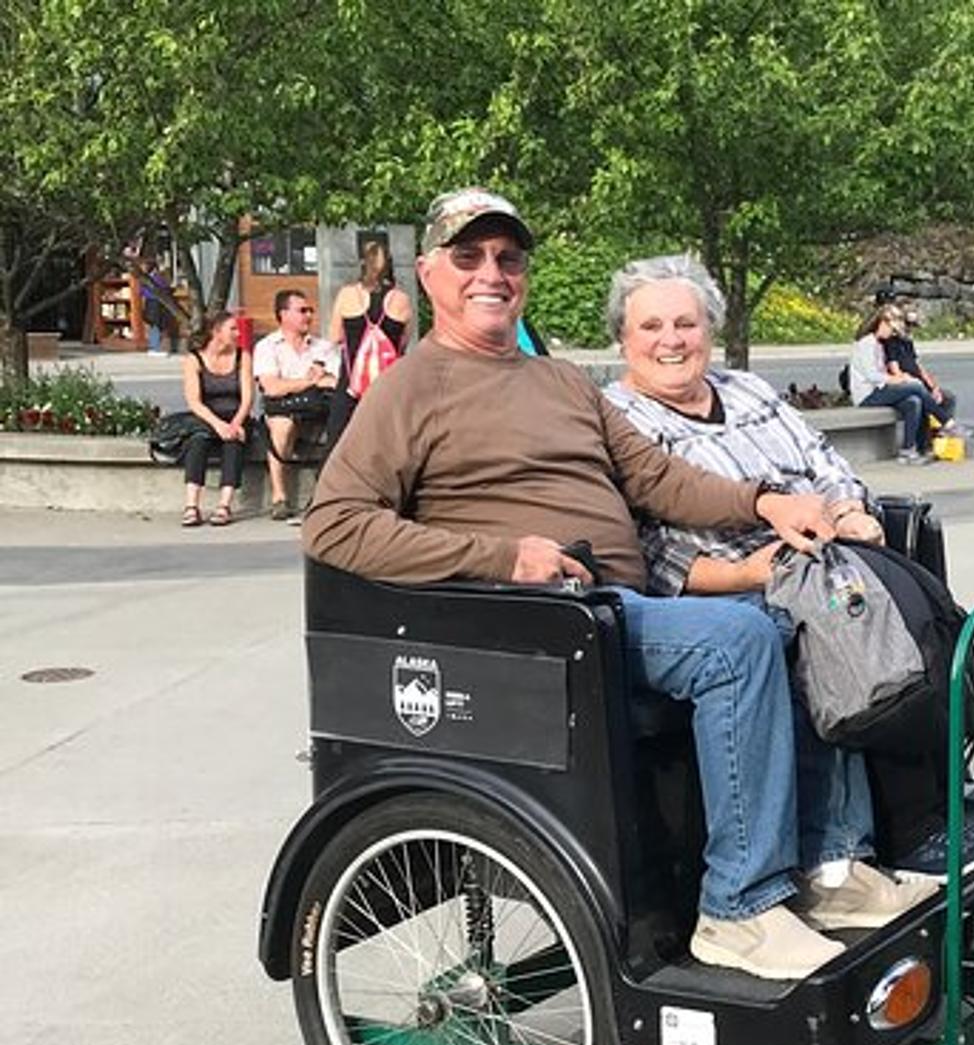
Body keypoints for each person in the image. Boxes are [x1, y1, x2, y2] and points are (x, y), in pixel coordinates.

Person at [303, 188, 934, 981]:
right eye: (468, 258)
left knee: (797, 610)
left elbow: (661, 479)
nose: (490, 274)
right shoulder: (411, 388)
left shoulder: (563, 382)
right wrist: (503, 558)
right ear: (429, 274)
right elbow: (332, 525)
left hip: (619, 610)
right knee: (738, 641)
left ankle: (832, 868)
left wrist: (763, 501)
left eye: (507, 258)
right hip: (541, 623)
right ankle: (738, 907)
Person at [600, 252, 974, 909]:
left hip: (823, 552)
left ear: (709, 328)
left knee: (920, 612)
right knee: (805, 634)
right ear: (622, 340)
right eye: (652, 326)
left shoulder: (744, 389)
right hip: (729, 584)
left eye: (685, 323)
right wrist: (751, 569)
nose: (671, 340)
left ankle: (923, 809)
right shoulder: (618, 417)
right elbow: (650, 551)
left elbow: (824, 461)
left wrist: (850, 510)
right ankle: (835, 861)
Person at [253, 288, 342, 519]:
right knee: (282, 428)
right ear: (283, 314)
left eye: (310, 310)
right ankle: (279, 498)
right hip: (283, 410)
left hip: (319, 409)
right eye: (302, 311)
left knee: (344, 422)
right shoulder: (267, 347)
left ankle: (332, 495)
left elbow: (335, 383)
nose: (309, 316)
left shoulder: (323, 347)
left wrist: (297, 384)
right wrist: (309, 381)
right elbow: (272, 388)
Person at [326, 239, 413, 437]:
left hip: (352, 384)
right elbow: (403, 343)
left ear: (363, 263)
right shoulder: (401, 300)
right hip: (389, 386)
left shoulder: (347, 295)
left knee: (339, 443)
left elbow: (335, 336)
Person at [176, 311, 253, 526]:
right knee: (198, 441)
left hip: (235, 414)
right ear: (216, 332)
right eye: (232, 329)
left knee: (234, 441)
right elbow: (194, 401)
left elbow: (248, 398)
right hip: (207, 416)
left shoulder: (242, 356)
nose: (238, 334)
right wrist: (217, 424)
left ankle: (224, 505)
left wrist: (236, 423)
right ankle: (192, 505)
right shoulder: (194, 359)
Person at [847, 306, 937, 465]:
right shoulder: (866, 343)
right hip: (867, 395)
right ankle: (946, 421)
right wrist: (898, 380)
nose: (892, 334)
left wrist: (901, 378)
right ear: (882, 323)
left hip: (879, 390)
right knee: (915, 386)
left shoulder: (878, 343)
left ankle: (908, 450)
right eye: (891, 329)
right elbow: (872, 375)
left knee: (913, 402)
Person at [879, 302, 964, 437]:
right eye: (908, 326)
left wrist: (932, 386)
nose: (910, 330)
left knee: (948, 397)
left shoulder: (907, 341)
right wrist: (919, 386)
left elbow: (918, 366)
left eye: (912, 327)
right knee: (921, 401)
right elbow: (895, 370)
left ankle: (940, 434)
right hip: (908, 384)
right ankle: (939, 430)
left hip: (918, 382)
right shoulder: (891, 342)